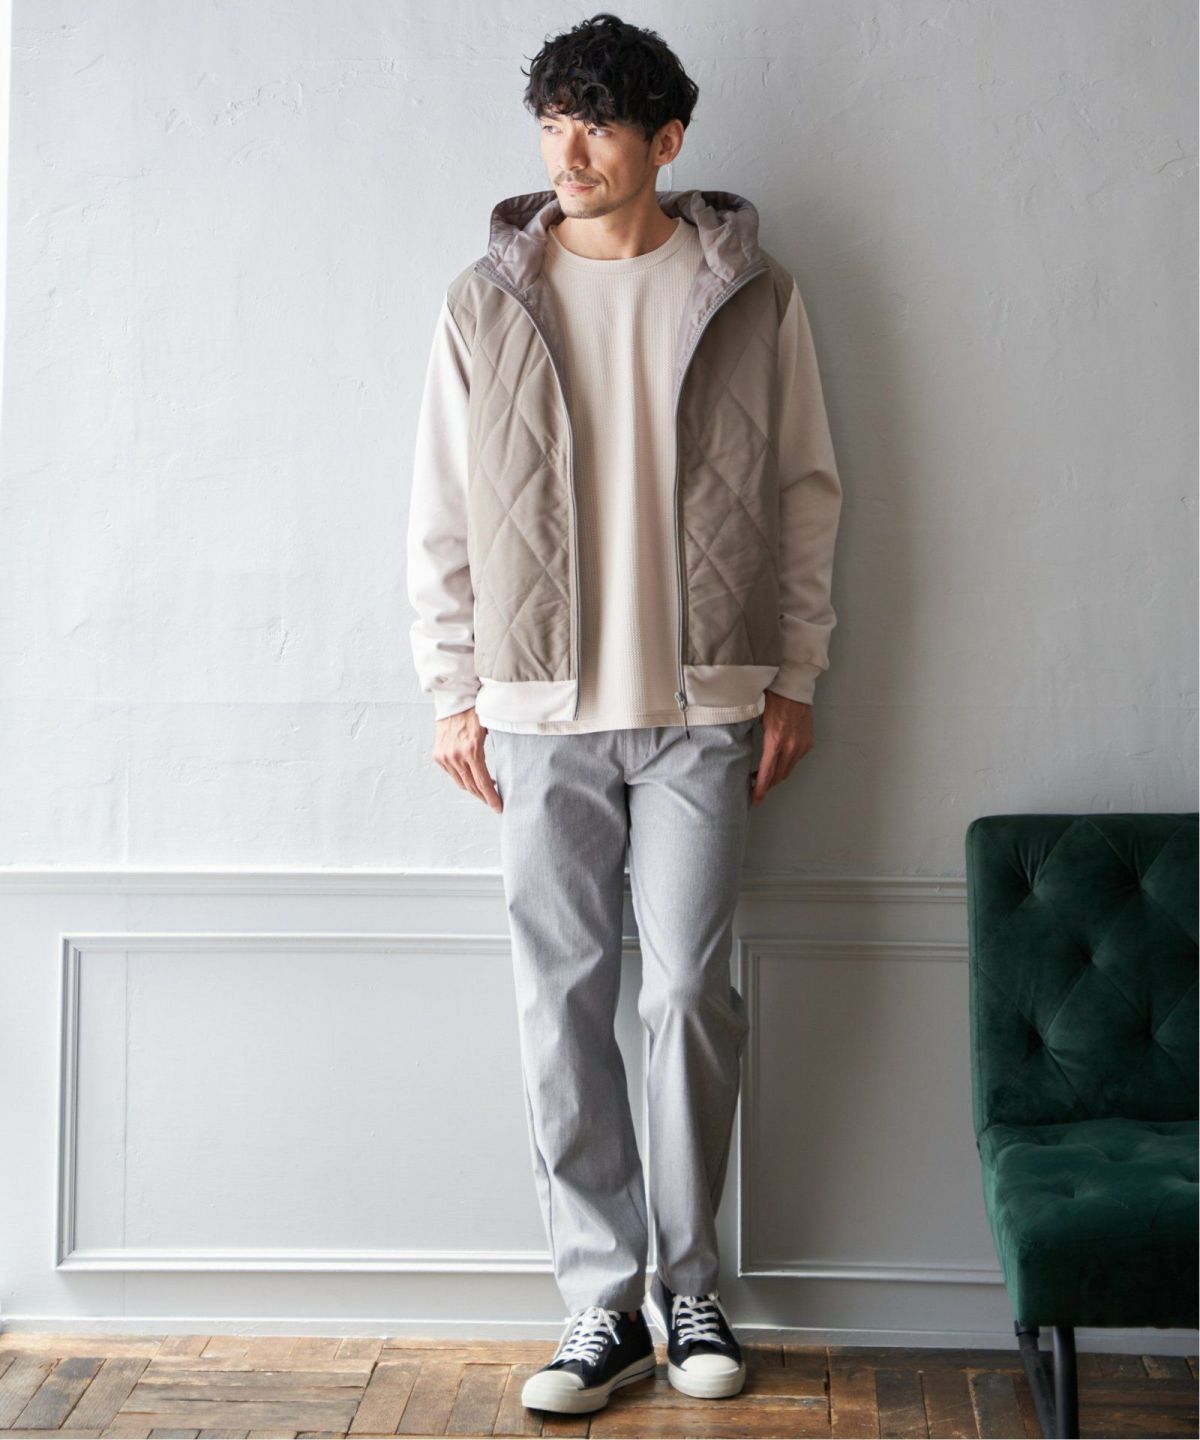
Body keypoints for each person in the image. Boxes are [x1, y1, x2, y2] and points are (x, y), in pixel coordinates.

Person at [406, 11, 843, 1419]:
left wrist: (796, 673)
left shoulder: (752, 293)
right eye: (553, 122)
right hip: (540, 714)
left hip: (706, 706)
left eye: (596, 123)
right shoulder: (487, 302)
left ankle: (690, 1285)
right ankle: (598, 1304)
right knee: (563, 1006)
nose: (569, 151)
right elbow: (441, 514)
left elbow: (807, 493)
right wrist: (452, 690)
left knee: (690, 995)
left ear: (667, 140)